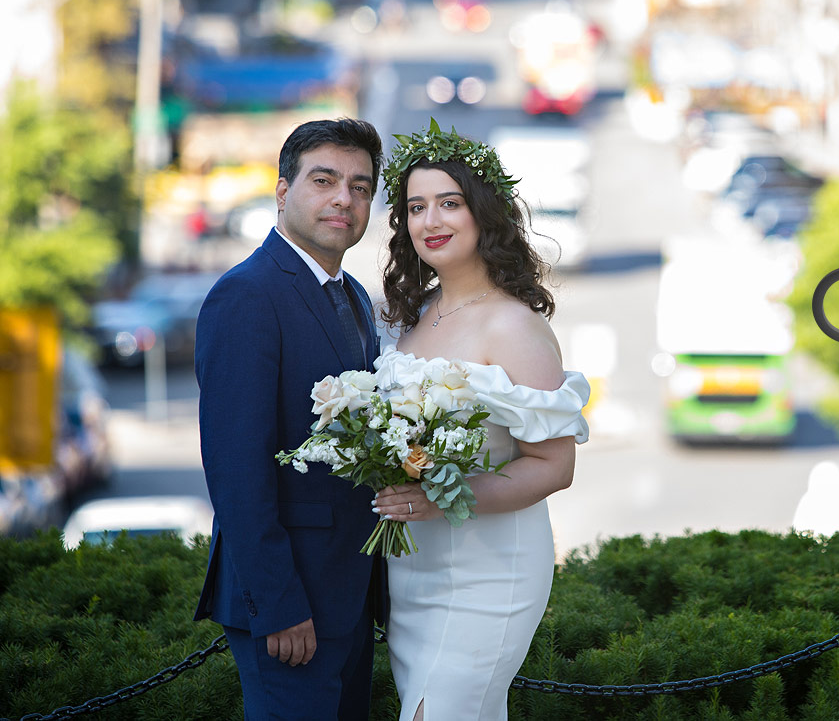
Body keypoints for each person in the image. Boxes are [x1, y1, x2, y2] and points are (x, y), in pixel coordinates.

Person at [373, 120, 590, 721]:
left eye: (449, 203)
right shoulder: (416, 318)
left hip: (488, 575)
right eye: (416, 207)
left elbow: (554, 466)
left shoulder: (513, 325)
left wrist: (446, 497)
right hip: (412, 573)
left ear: (484, 214)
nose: (430, 221)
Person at [194, 118, 387, 721]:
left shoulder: (352, 293)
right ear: (282, 192)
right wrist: (277, 605)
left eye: (360, 186)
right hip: (290, 606)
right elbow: (236, 470)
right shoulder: (247, 295)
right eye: (324, 180)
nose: (343, 199)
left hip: (350, 596)